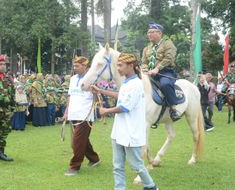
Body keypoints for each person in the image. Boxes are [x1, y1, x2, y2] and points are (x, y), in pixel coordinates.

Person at [92, 53, 158, 190]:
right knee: (117, 166)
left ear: (131, 66)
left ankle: (151, 186)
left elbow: (125, 107)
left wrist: (106, 111)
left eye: (120, 66)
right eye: (117, 66)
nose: (118, 69)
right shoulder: (127, 82)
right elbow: (119, 94)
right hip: (118, 132)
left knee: (137, 165)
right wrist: (101, 91)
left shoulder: (136, 84)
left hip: (130, 132)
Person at [63, 56, 100, 176]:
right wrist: (66, 111)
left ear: (85, 66)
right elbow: (70, 95)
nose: (75, 68)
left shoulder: (92, 78)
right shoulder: (73, 78)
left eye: (77, 66)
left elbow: (97, 96)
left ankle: (74, 166)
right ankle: (94, 159)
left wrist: (96, 94)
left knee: (77, 141)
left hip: (86, 115)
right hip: (74, 113)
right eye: (74, 66)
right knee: (82, 140)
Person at [141, 22, 180, 121]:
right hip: (150, 74)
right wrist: (145, 70)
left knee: (165, 84)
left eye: (152, 32)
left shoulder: (168, 43)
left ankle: (173, 109)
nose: (149, 34)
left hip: (165, 72)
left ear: (159, 33)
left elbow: (169, 58)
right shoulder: (146, 48)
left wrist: (157, 68)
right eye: (148, 32)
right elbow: (144, 62)